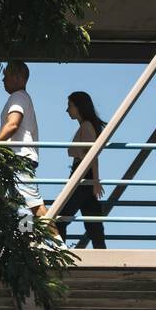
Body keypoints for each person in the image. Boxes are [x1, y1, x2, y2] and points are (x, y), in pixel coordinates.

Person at [0, 60, 48, 224]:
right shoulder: (22, 97)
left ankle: (58, 244)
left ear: (17, 77)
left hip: (19, 159)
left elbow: (13, 124)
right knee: (21, 206)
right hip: (16, 159)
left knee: (35, 206)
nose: (3, 80)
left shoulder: (18, 97)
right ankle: (27, 241)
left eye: (6, 76)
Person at [61, 91, 108, 249]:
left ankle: (59, 254)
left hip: (82, 176)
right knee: (93, 223)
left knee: (60, 218)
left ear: (79, 106)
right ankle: (103, 258)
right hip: (84, 175)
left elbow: (91, 156)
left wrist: (95, 181)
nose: (67, 110)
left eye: (70, 105)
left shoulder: (87, 126)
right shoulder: (85, 126)